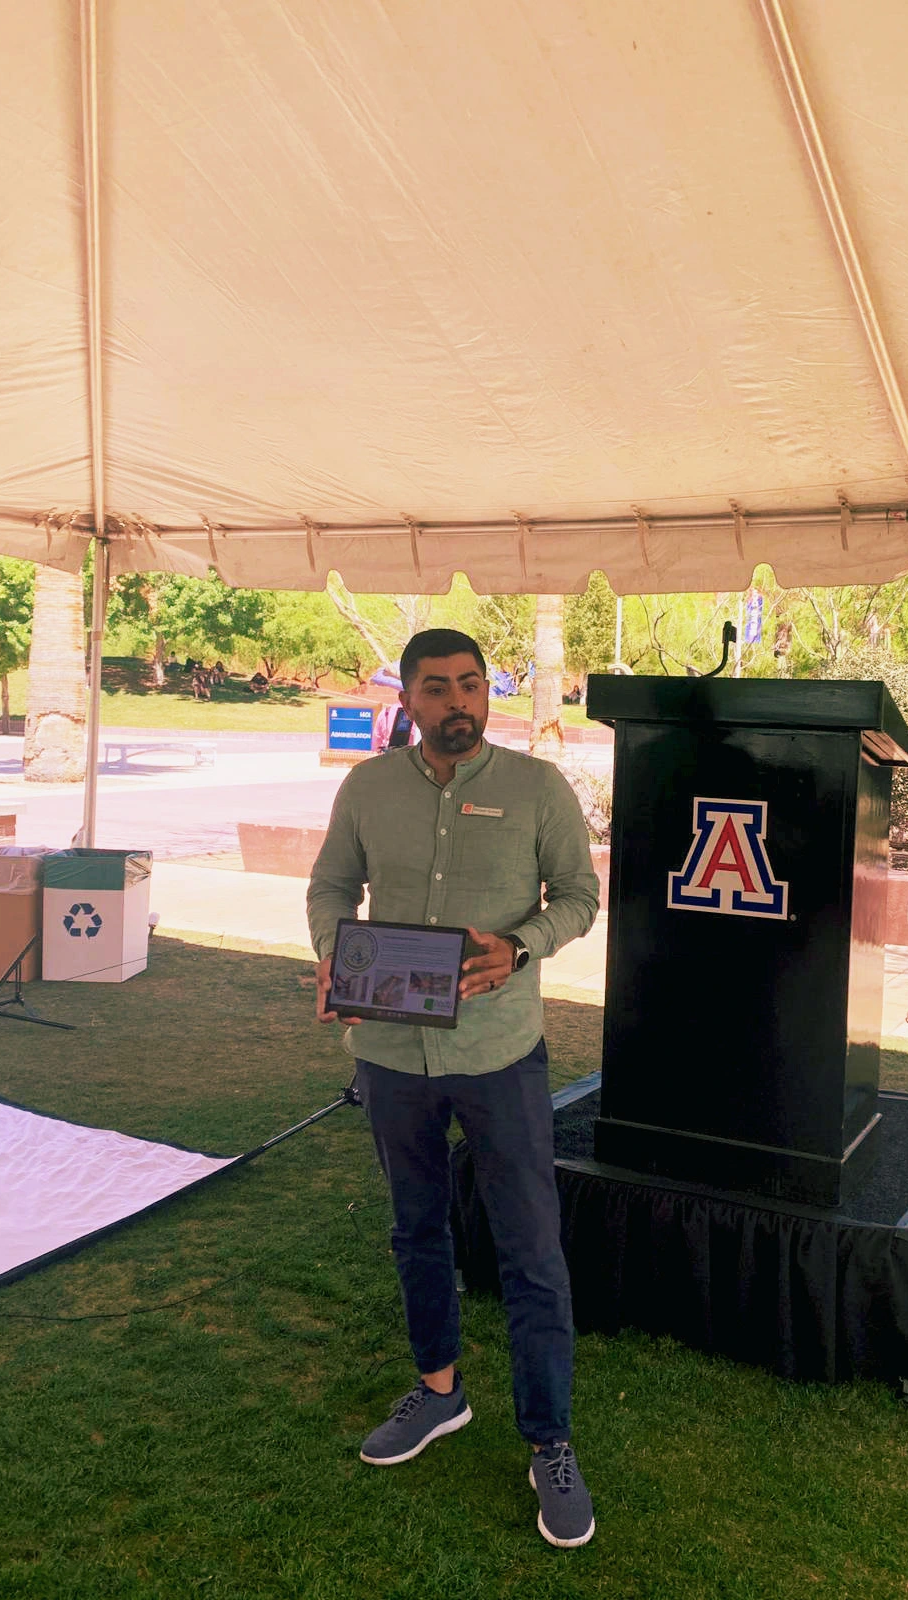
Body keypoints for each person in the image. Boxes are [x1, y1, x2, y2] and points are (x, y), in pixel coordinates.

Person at [307, 628, 600, 1548]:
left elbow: (581, 897)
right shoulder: (367, 788)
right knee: (415, 1227)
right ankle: (440, 1392)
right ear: (409, 699)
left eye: (471, 684)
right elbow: (330, 889)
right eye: (437, 689)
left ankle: (548, 1438)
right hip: (392, 1055)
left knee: (531, 1248)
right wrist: (331, 957)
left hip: (501, 1054)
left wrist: (522, 946)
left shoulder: (537, 789)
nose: (458, 702)